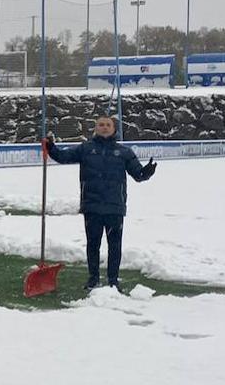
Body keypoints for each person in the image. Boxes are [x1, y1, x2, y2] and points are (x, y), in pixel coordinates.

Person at [44, 115, 157, 291]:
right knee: (93, 244)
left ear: (114, 129)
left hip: (115, 206)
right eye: (101, 125)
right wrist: (51, 147)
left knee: (115, 246)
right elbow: (63, 157)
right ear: (95, 128)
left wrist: (147, 172)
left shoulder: (124, 152)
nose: (104, 127)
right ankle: (93, 279)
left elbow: (138, 175)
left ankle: (113, 280)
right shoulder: (86, 149)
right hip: (92, 205)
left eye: (108, 125)